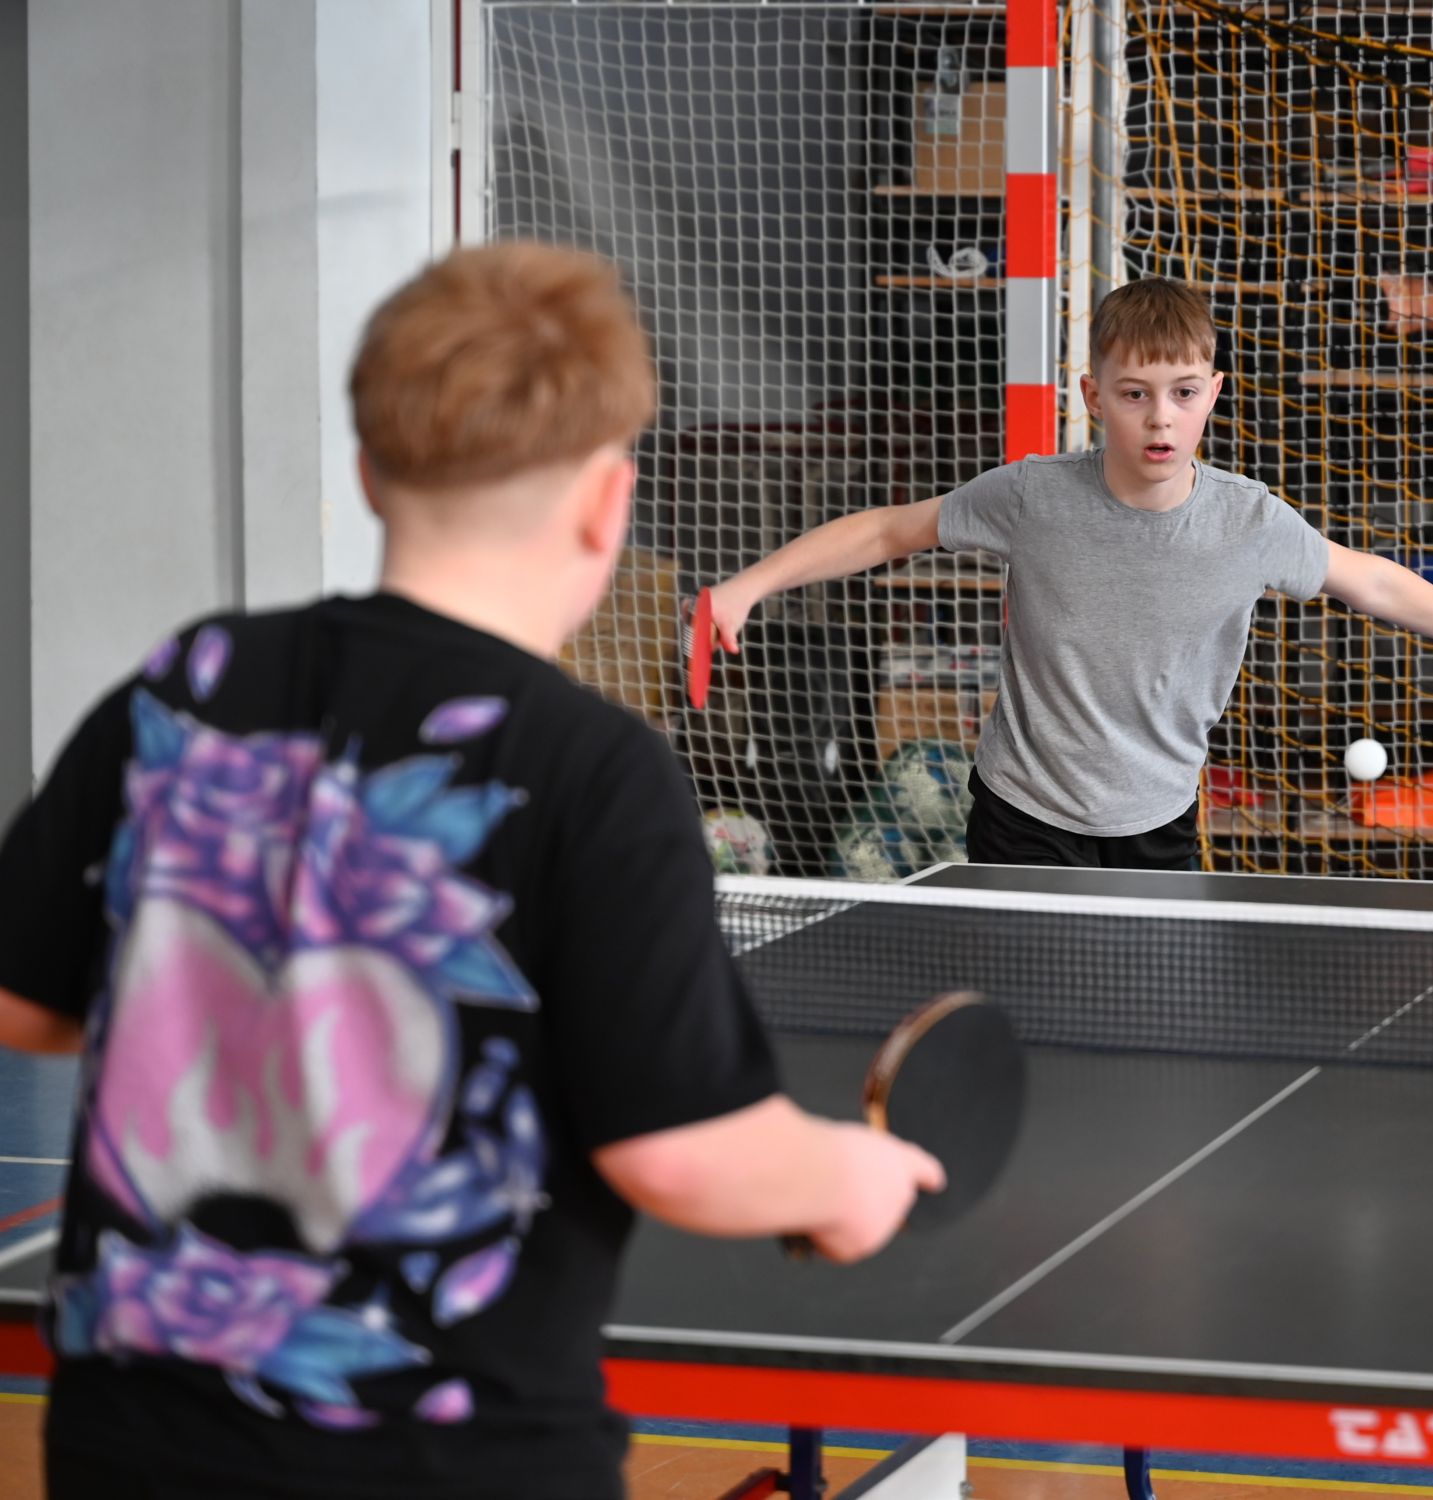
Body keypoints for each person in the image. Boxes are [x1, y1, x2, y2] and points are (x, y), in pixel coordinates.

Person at [0, 242, 941, 1500]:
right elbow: (682, 1153)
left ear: (369, 471)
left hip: (131, 1442)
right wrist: (850, 1178)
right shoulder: (592, 770)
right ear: (609, 502)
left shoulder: (191, 682)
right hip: (447, 1462)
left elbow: (25, 1002)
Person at [705, 277, 1433, 870]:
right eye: (1134, 394)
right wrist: (747, 586)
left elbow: (1369, 579)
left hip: (1156, 821)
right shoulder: (1034, 495)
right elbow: (890, 529)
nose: (1161, 418)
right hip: (1023, 816)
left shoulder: (1249, 521)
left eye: (1183, 393)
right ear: (1093, 394)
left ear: (1212, 393)